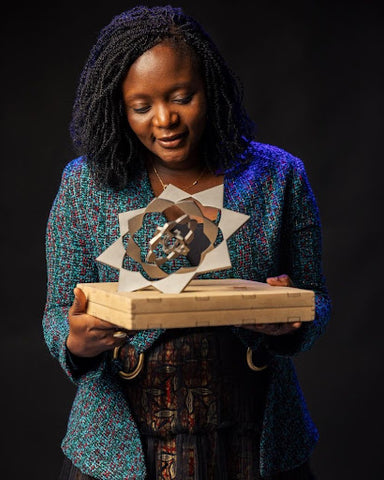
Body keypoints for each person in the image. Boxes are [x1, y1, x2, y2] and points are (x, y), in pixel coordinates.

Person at [43, 5, 331, 480]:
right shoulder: (84, 186)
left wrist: (293, 321)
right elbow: (57, 312)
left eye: (182, 96)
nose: (165, 120)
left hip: (255, 439)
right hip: (123, 447)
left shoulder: (279, 176)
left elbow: (318, 299)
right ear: (119, 106)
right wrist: (75, 340)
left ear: (209, 90)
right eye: (141, 107)